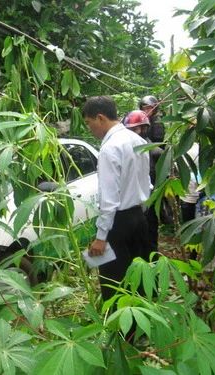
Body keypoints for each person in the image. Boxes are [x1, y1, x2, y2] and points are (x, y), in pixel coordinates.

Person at [83, 96, 151, 302]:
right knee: (137, 279)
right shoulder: (138, 141)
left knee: (115, 283)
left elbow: (109, 199)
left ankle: (121, 333)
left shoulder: (110, 148)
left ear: (100, 117)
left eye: (89, 122)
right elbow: (147, 183)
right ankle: (138, 329)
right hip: (139, 218)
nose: (89, 128)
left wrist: (101, 237)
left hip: (119, 223)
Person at [122, 110, 163, 254]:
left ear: (145, 129)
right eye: (129, 130)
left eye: (135, 129)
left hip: (149, 202)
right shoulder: (125, 150)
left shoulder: (156, 152)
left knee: (150, 242)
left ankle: (154, 274)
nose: (131, 133)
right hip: (131, 206)